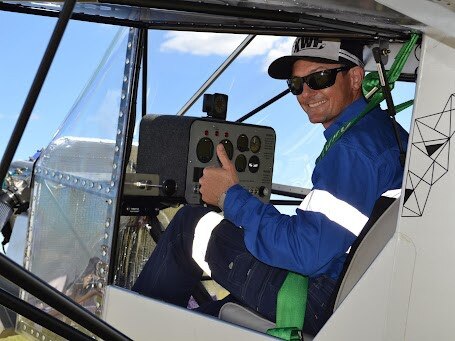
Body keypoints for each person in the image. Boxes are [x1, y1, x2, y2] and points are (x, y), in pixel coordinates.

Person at [132, 37, 409, 335]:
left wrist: (229, 196)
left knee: (190, 227)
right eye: (296, 84)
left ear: (355, 78)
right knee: (207, 315)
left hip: (320, 299)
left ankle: (129, 330)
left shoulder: (355, 150)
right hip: (353, 295)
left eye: (319, 78)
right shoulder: (383, 134)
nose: (306, 93)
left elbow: (307, 252)